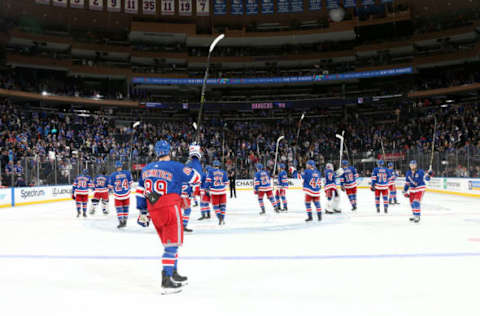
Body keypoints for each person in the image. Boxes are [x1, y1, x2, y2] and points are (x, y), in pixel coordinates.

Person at [135, 140, 201, 294]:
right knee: (171, 245)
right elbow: (197, 178)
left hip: (153, 208)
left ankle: (173, 273)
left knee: (170, 243)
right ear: (169, 151)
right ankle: (167, 279)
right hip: (170, 207)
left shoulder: (146, 169)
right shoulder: (175, 166)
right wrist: (195, 157)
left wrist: (143, 211)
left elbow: (141, 191)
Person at [109, 161, 133, 228]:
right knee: (126, 208)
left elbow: (111, 186)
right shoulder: (127, 173)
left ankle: (121, 222)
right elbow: (130, 183)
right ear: (121, 166)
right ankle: (125, 221)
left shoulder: (113, 175)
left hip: (117, 195)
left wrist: (110, 191)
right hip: (126, 194)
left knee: (119, 209)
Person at [206, 160, 229, 225]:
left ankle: (220, 217)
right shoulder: (223, 172)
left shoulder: (210, 171)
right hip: (222, 191)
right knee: (223, 206)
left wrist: (207, 188)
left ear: (213, 165)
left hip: (214, 191)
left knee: (215, 206)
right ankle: (223, 218)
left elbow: (208, 181)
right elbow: (227, 182)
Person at [186, 143, 202, 207]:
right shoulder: (197, 163)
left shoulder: (191, 163)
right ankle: (197, 202)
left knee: (192, 192)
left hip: (193, 181)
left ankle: (195, 201)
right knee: (195, 193)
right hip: (197, 180)